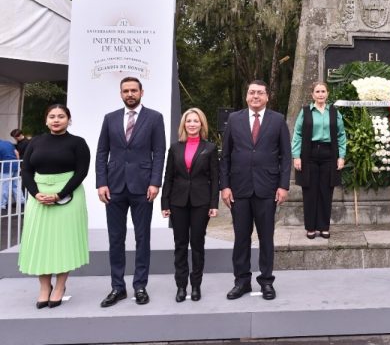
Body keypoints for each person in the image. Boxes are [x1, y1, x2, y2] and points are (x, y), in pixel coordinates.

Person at [95, 77, 166, 307]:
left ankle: (140, 286)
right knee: (116, 239)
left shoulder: (154, 118)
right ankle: (118, 287)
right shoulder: (110, 118)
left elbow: (159, 152)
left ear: (141, 92)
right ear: (121, 94)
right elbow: (101, 152)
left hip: (143, 187)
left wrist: (155, 182)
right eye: (125, 91)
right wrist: (101, 183)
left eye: (134, 90)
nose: (130, 94)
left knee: (142, 238)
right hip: (114, 187)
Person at [220, 80, 291, 301]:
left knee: (266, 238)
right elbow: (225, 156)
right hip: (239, 189)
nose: (256, 96)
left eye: (260, 93)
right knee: (241, 238)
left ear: (267, 96)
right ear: (246, 96)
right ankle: (241, 282)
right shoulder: (234, 119)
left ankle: (267, 281)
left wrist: (283, 185)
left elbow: (285, 156)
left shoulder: (278, 120)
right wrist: (225, 186)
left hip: (267, 189)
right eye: (252, 92)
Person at [17, 104, 90, 308]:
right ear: (46, 120)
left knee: (64, 242)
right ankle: (44, 287)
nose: (56, 120)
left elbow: (81, 172)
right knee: (40, 242)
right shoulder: (35, 142)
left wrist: (60, 195)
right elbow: (26, 170)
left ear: (69, 119)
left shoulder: (78, 143)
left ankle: (59, 286)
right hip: (38, 197)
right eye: (52, 116)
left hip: (68, 197)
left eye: (61, 116)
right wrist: (35, 193)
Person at [161, 108, 219, 302]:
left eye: (196, 121)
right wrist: (164, 202)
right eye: (189, 121)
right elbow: (168, 177)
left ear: (201, 124)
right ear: (184, 125)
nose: (192, 124)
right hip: (177, 202)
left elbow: (215, 178)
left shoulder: (210, 148)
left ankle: (196, 286)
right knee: (180, 244)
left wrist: (214, 204)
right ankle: (181, 286)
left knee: (197, 244)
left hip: (201, 202)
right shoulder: (175, 148)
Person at [292, 82, 347, 240]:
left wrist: (341, 156)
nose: (321, 94)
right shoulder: (305, 112)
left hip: (329, 154)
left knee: (326, 192)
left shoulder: (334, 112)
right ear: (312, 94)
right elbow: (297, 134)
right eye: (317, 91)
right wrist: (296, 156)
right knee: (310, 192)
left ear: (327, 94)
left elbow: (341, 135)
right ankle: (310, 227)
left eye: (323, 91)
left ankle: (323, 227)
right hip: (309, 154)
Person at [0, 137, 21, 211]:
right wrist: (18, 163)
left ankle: (2, 204)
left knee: (4, 186)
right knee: (16, 185)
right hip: (15, 165)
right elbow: (17, 153)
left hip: (6, 167)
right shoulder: (8, 143)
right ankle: (21, 201)